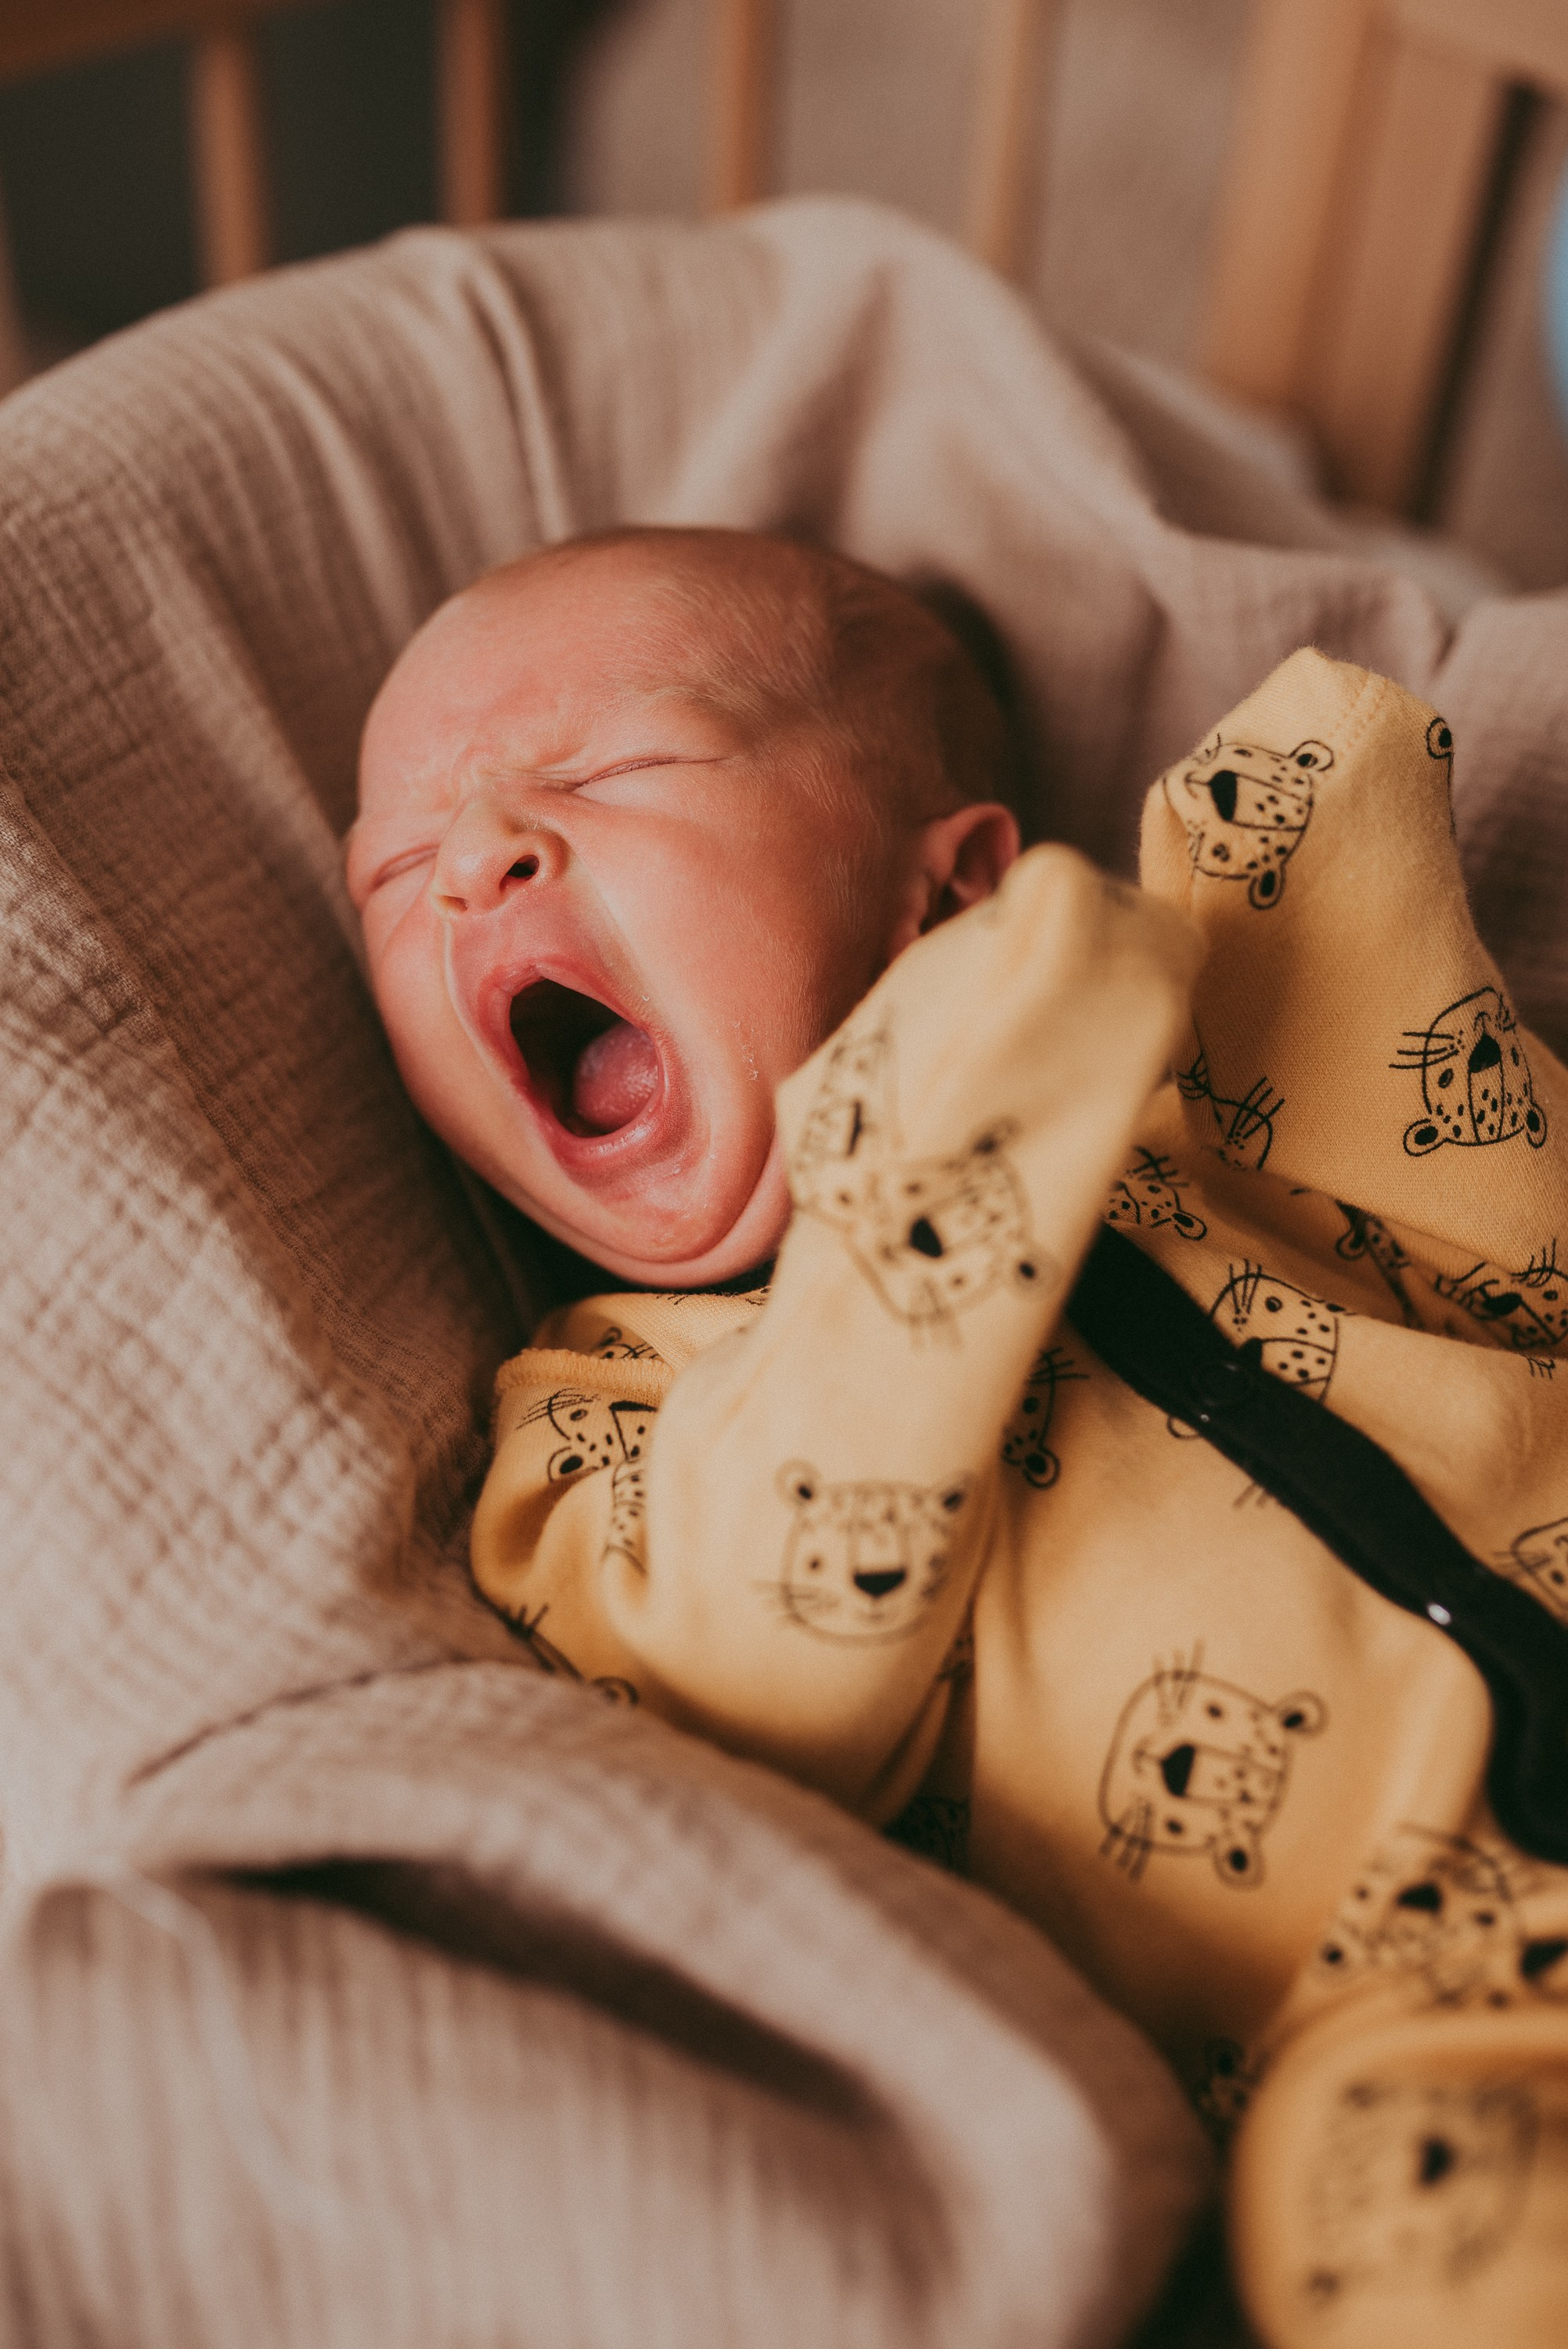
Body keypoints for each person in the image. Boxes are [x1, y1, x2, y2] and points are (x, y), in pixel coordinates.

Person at [350, 525, 1568, 2349]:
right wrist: (919, 1171)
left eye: (612, 770)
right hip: (1415, 2022)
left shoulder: (1196, 1097)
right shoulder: (603, 1420)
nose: (475, 857)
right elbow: (761, 1682)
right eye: (391, 875)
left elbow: (1504, 1252)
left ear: (959, 895)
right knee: (1428, 2252)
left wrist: (1326, 904)